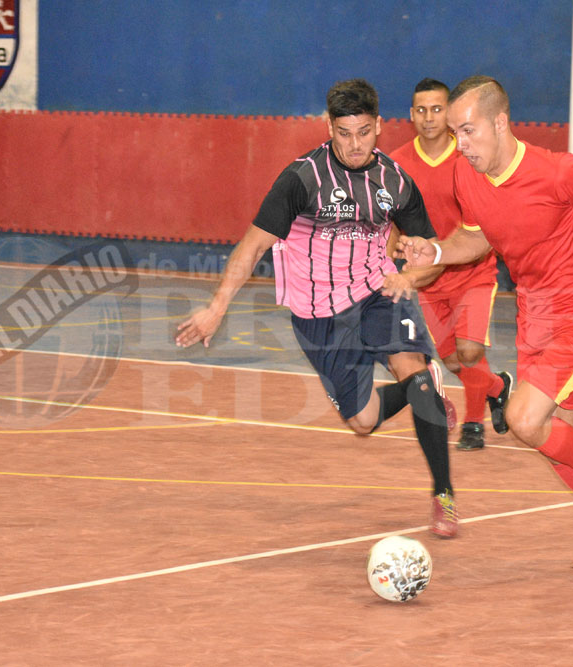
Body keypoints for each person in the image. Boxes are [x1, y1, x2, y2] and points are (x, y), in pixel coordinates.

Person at [398, 76, 573, 568]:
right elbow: (476, 237)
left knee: (524, 420)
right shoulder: (466, 174)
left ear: (500, 123)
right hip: (534, 313)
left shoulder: (559, 172)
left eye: (468, 131)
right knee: (555, 439)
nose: (460, 144)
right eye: (456, 133)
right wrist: (434, 251)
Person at [175, 79, 460, 538]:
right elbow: (251, 246)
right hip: (319, 315)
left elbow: (430, 252)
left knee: (414, 372)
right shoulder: (302, 179)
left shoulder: (394, 181)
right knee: (363, 421)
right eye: (344, 133)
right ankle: (419, 391)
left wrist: (409, 275)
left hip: (377, 290)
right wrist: (216, 307)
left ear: (379, 126)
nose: (355, 144)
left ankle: (443, 494)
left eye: (363, 132)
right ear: (329, 128)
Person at [388, 78, 511, 452]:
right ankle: (498, 387)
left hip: (472, 270)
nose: (429, 117)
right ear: (411, 115)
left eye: (437, 109)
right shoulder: (396, 164)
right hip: (427, 279)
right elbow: (391, 222)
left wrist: (448, 251)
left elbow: (483, 217)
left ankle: (473, 423)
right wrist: (391, 262)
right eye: (421, 110)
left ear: (450, 113)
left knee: (470, 351)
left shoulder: (468, 156)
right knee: (454, 361)